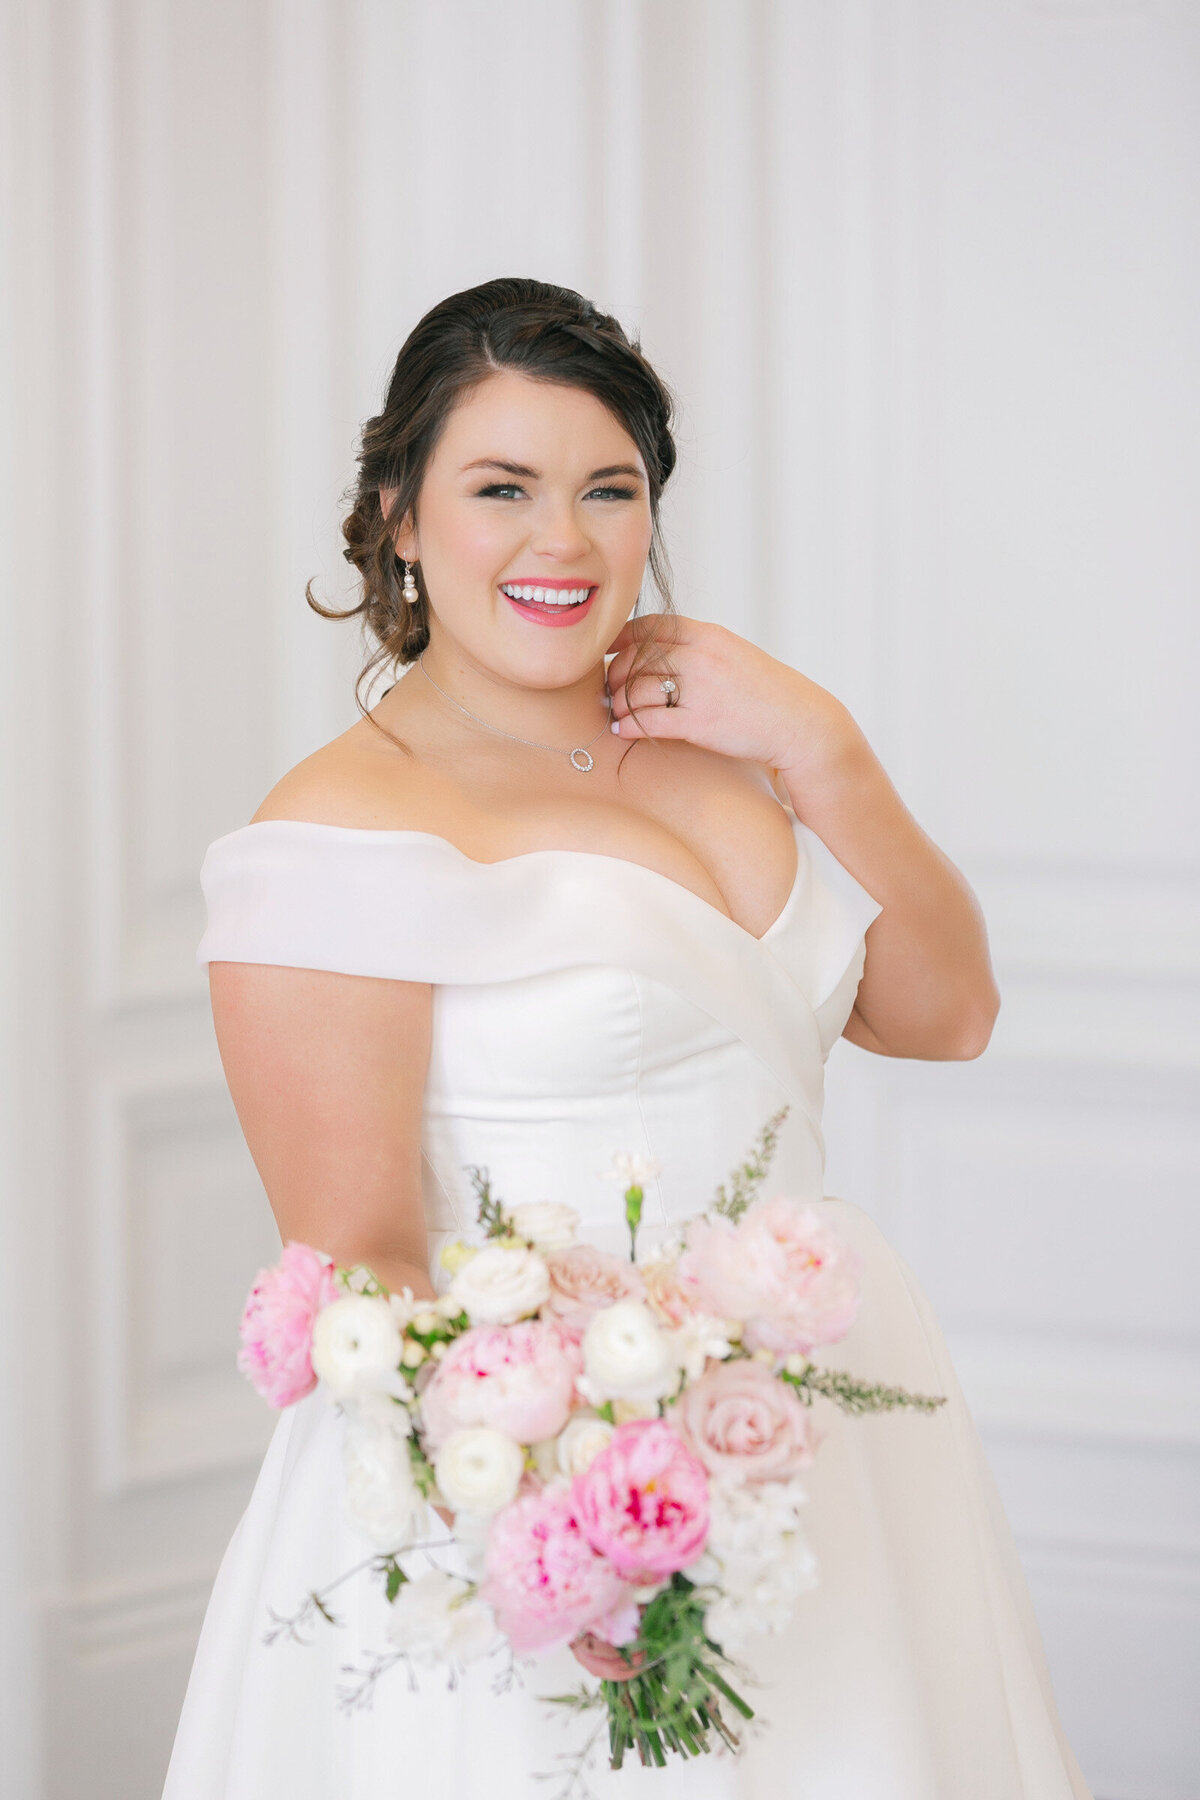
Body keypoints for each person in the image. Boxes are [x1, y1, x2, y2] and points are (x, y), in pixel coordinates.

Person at [162, 278, 1093, 1798]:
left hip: (830, 1445)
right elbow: (357, 1257)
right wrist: (558, 1526)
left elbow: (949, 1011)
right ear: (400, 516)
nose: (564, 540)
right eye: (501, 489)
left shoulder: (715, 762)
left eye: (610, 490)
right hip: (538, 1484)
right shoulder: (338, 829)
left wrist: (817, 740)